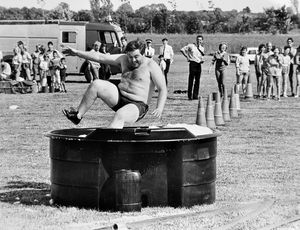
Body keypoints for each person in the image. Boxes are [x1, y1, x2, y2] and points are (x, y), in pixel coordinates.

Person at [62, 39, 167, 128]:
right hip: (118, 97)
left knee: (120, 115)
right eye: (130, 56)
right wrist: (76, 52)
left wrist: (159, 108)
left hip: (137, 105)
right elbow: (100, 57)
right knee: (96, 84)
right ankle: (78, 116)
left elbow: (162, 88)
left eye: (136, 56)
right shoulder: (123, 59)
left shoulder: (151, 65)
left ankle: (110, 148)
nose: (133, 60)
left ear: (143, 54)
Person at [180, 35, 205, 100]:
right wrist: (187, 57)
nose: (199, 41)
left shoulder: (202, 48)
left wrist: (202, 60)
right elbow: (182, 50)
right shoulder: (191, 45)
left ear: (202, 41)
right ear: (196, 40)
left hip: (199, 64)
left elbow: (201, 56)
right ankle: (189, 95)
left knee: (197, 80)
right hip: (192, 63)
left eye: (200, 40)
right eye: (198, 39)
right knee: (191, 80)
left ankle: (195, 95)